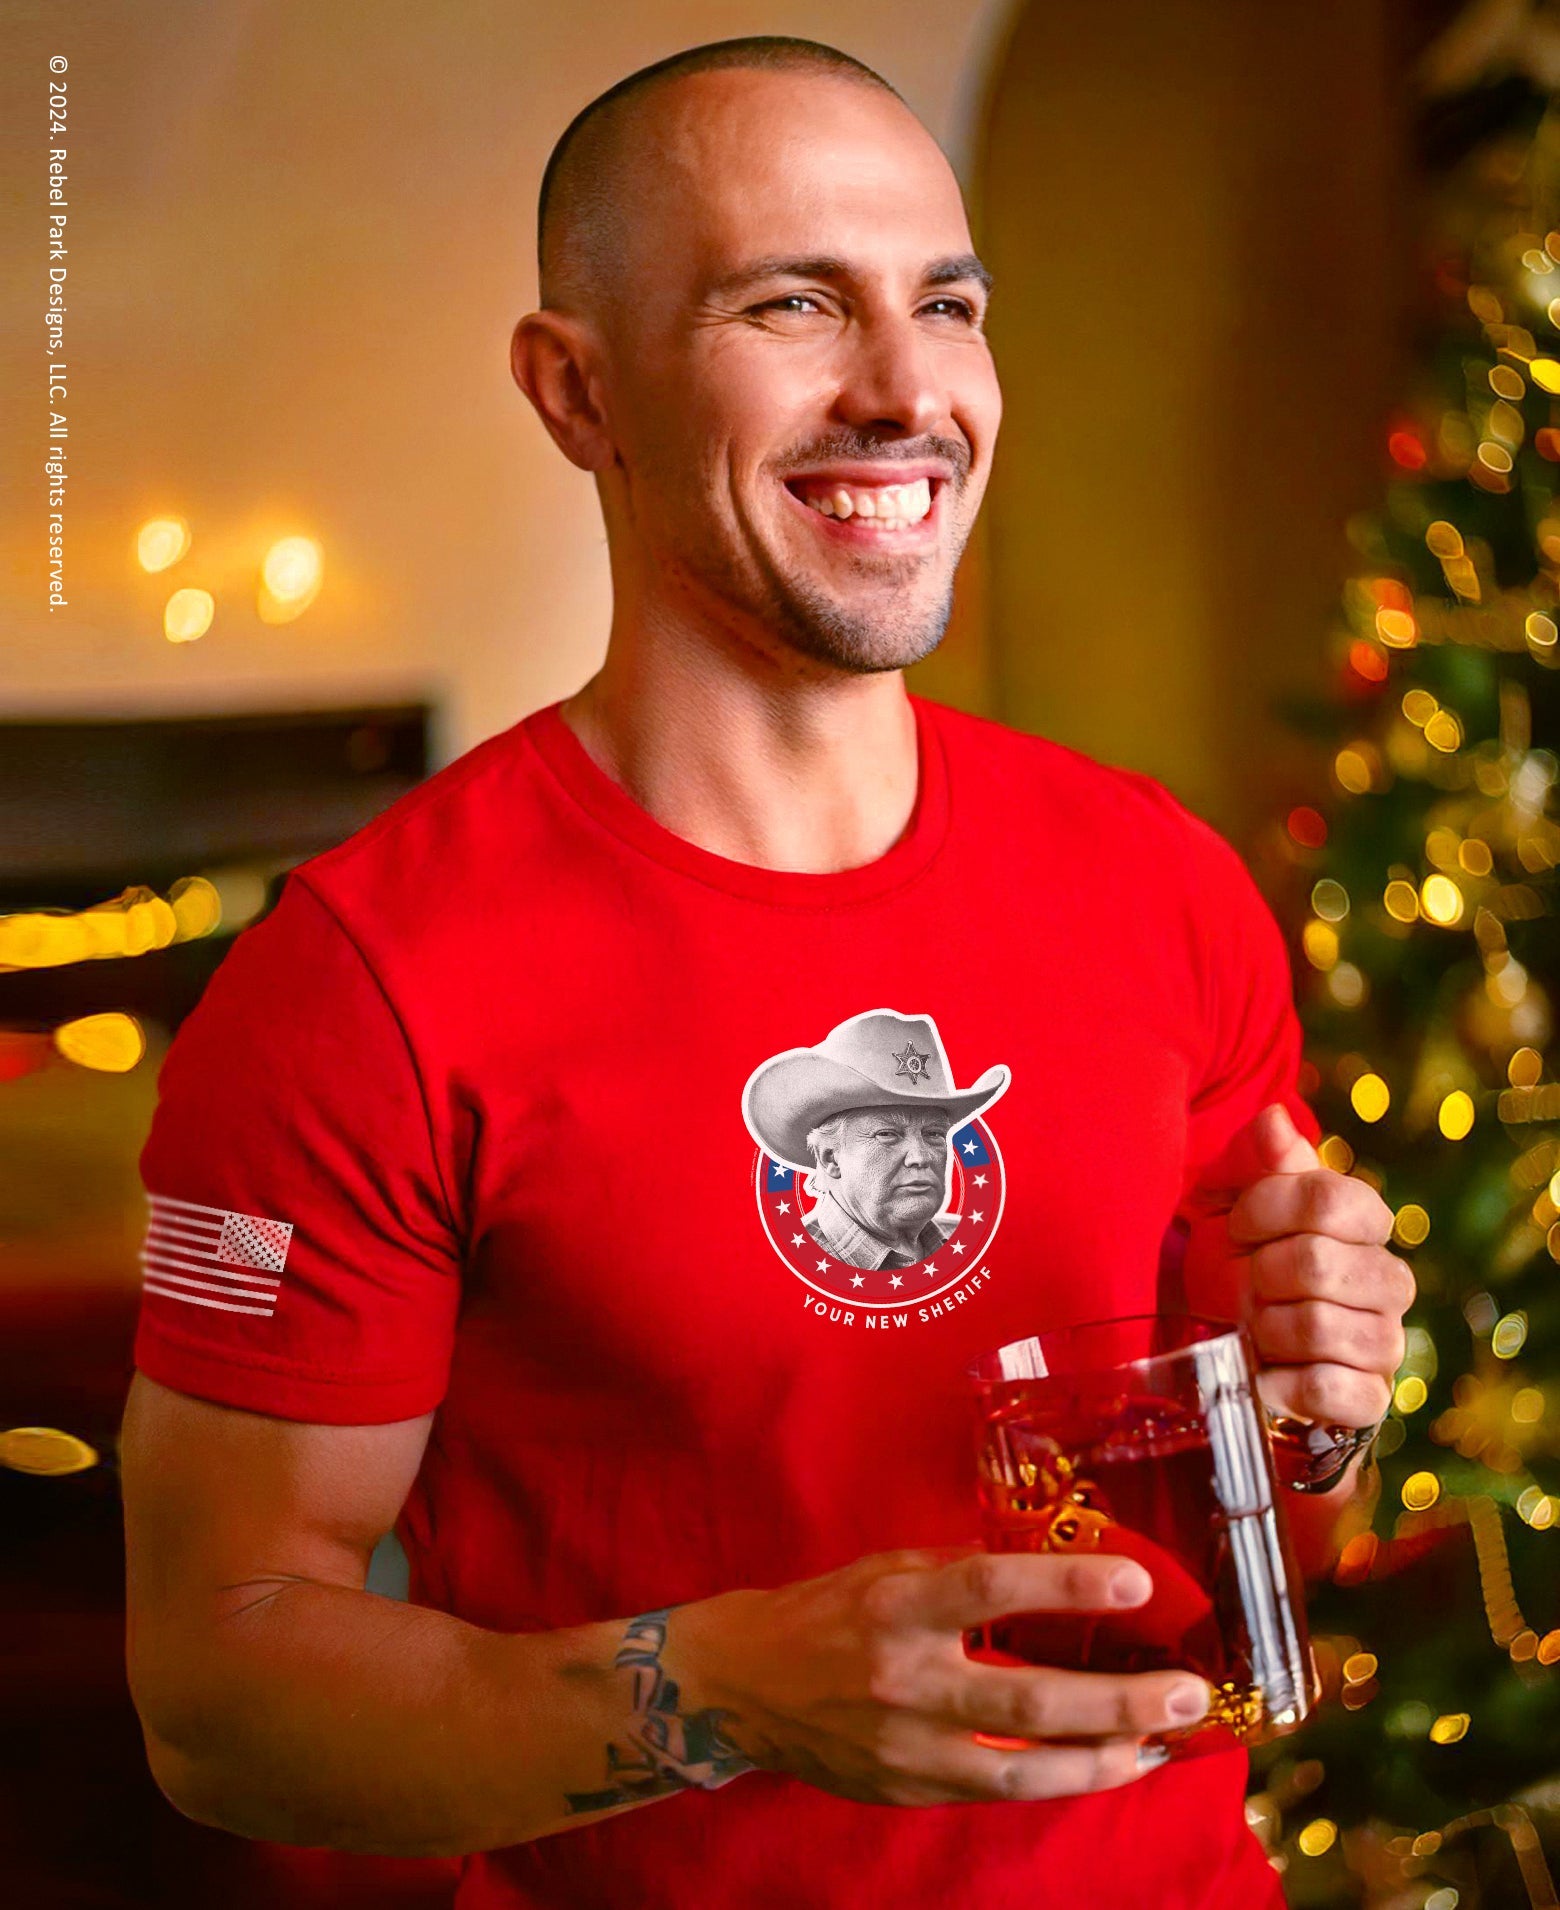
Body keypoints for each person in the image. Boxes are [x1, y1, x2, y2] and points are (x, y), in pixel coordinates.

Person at [120, 34, 1414, 1910]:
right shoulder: (361, 982)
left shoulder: (1162, 885)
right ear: (578, 392)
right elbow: (218, 1697)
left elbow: (1277, 1547)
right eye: (794, 303)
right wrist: (717, 1695)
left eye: (947, 306)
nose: (905, 390)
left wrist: (1321, 1404)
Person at [745, 1007, 1005, 1271]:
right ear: (830, 1158)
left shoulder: (978, 1248)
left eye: (934, 1134)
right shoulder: (787, 1267)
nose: (921, 1157)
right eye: (887, 1135)